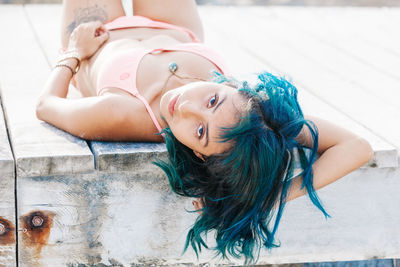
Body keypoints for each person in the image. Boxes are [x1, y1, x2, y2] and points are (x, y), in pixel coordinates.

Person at [36, 0, 374, 263]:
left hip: (97, 35)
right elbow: (356, 145)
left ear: (198, 153)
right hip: (173, 23)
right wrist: (275, 193)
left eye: (199, 130)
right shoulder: (250, 116)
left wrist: (72, 54)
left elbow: (47, 104)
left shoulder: (122, 115)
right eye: (212, 99)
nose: (185, 105)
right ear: (235, 87)